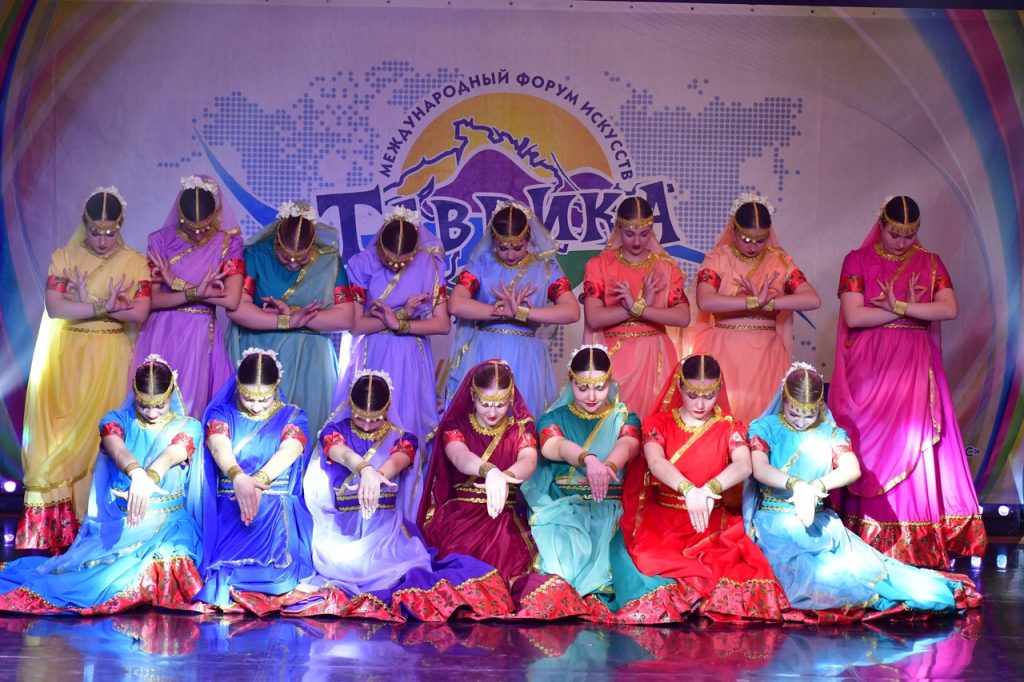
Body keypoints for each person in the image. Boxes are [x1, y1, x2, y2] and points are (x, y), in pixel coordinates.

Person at [746, 362, 980, 616]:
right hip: (775, 523)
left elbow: (852, 469)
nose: (801, 422)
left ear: (819, 407)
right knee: (810, 578)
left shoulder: (830, 433)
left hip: (818, 524)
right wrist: (797, 485)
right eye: (794, 414)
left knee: (858, 574)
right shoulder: (765, 427)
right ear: (784, 400)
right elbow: (760, 469)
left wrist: (817, 486)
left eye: (809, 415)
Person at [829, 195, 986, 568]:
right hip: (870, 365)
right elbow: (854, 316)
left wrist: (894, 306)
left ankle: (914, 538)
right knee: (869, 443)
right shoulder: (857, 260)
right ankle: (862, 536)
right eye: (894, 234)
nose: (901, 242)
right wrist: (909, 312)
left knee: (912, 440)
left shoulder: (929, 262)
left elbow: (948, 308)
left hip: (914, 363)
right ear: (881, 225)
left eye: (909, 235)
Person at [296, 369, 512, 620]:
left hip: (385, 531)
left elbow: (397, 461)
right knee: (339, 566)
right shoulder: (335, 432)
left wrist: (377, 475)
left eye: (375, 419)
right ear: (350, 407)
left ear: (388, 408)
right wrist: (364, 469)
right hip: (341, 531)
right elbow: (340, 453)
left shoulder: (403, 439)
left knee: (405, 573)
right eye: (359, 418)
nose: (367, 425)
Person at [0, 356, 205, 613]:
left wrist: (149, 478)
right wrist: (136, 474)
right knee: (92, 582)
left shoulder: (189, 426)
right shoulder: (116, 420)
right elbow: (117, 450)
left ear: (171, 394)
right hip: (122, 524)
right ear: (135, 395)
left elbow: (173, 453)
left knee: (169, 563)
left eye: (159, 406)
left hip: (170, 524)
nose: (152, 413)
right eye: (144, 406)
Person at [18, 186, 152, 550]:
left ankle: (97, 527)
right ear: (85, 224)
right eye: (95, 232)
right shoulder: (64, 257)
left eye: (110, 232)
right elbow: (56, 308)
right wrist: (106, 306)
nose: (103, 240)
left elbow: (140, 312)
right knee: (62, 436)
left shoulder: (135, 262)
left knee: (103, 437)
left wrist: (86, 304)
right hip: (68, 357)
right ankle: (58, 533)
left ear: (120, 226)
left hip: (111, 356)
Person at [523, 345, 695, 621]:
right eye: (582, 388)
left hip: (613, 513)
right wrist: (588, 459)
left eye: (600, 387)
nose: (591, 396)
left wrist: (609, 466)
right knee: (561, 575)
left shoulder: (625, 417)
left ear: (611, 382)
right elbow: (554, 446)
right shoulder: (553, 418)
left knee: (622, 568)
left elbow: (628, 445)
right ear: (570, 382)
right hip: (567, 512)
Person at [621, 354, 789, 622]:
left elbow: (744, 465)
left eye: (709, 396)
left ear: (719, 390)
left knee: (733, 570)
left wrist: (708, 489)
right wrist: (689, 490)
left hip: (711, 521)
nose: (700, 404)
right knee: (650, 560)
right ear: (679, 387)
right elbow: (656, 462)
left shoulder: (728, 427)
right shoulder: (658, 423)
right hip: (664, 520)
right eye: (692, 395)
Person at [340, 206, 450, 517]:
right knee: (367, 423)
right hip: (373, 354)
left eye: (403, 261)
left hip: (411, 357)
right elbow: (355, 325)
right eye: (389, 260)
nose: (396, 266)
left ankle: (407, 515)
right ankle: (363, 505)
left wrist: (400, 323)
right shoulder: (362, 264)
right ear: (379, 245)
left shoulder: (430, 265)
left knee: (408, 429)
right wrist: (398, 315)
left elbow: (442, 324)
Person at [194, 349, 314, 611]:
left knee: (279, 578)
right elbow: (219, 446)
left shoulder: (293, 415)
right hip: (231, 505)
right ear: (237, 385)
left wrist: (256, 483)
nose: (257, 406)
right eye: (248, 398)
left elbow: (290, 450)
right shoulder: (221, 413)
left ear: (276, 387)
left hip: (274, 509)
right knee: (220, 572)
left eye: (265, 399)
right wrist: (238, 478)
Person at [687, 193, 821, 427]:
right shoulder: (718, 258)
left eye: (760, 240)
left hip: (765, 353)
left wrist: (770, 303)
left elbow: (812, 299)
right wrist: (752, 302)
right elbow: (705, 301)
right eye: (746, 239)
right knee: (723, 420)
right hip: (724, 348)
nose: (753, 246)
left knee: (763, 419)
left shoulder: (779, 261)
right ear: (734, 230)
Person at [226, 200, 352, 435]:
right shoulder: (256, 255)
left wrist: (296, 315)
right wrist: (286, 321)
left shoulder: (328, 260)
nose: (293, 263)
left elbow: (346, 318)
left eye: (302, 259)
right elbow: (237, 309)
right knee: (258, 419)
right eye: (285, 257)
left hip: (311, 358)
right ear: (277, 240)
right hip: (263, 349)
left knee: (305, 425)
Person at [445, 201, 578, 417]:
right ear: (493, 240)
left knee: (523, 417)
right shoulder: (481, 264)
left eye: (518, 247)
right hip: (485, 349)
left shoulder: (545, 268)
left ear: (528, 239)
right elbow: (456, 304)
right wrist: (500, 311)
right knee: (484, 416)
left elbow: (572, 311)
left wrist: (522, 313)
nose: (510, 255)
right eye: (502, 248)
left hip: (526, 353)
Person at [132, 175, 244, 417]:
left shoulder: (229, 243)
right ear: (180, 216)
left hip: (201, 334)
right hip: (163, 330)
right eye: (191, 228)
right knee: (155, 405)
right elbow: (152, 299)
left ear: (215, 214)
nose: (199, 234)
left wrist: (176, 283)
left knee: (193, 408)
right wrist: (198, 292)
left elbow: (231, 299)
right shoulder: (160, 241)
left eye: (205, 227)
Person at [582, 196, 689, 420]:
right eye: (630, 234)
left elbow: (683, 317)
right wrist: (634, 306)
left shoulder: (666, 268)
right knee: (614, 423)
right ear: (618, 228)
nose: (637, 241)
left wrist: (640, 309)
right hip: (615, 356)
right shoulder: (600, 265)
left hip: (656, 357)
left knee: (654, 424)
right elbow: (594, 317)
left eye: (644, 233)